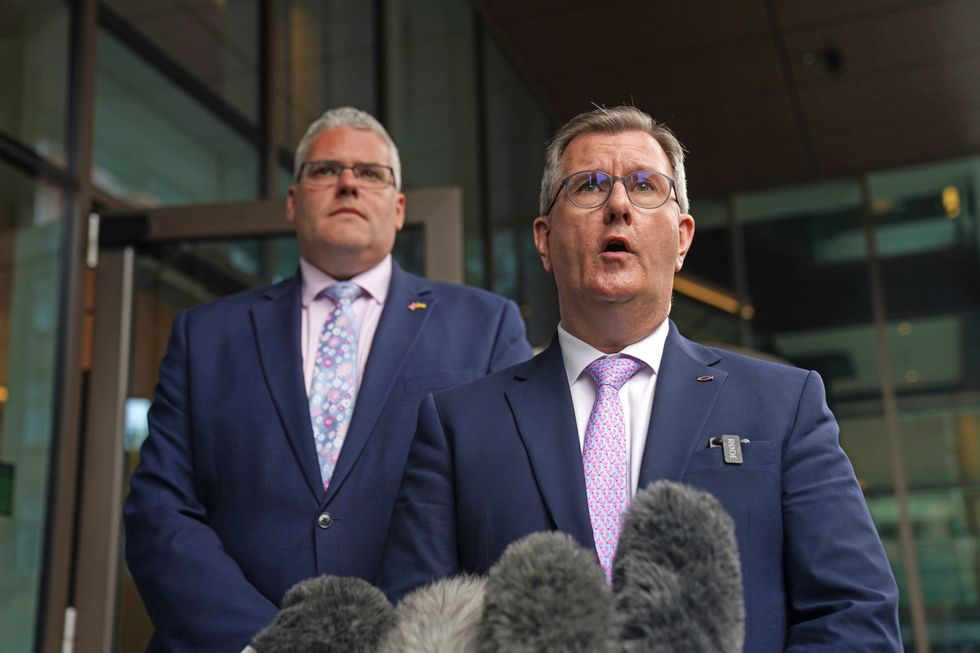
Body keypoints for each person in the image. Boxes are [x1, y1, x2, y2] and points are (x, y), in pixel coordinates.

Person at [379, 106, 901, 651]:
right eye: (589, 186)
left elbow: (854, 613)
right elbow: (412, 626)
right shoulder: (458, 426)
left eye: (645, 185)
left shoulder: (784, 405)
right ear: (544, 239)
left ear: (682, 238)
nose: (618, 205)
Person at [123, 106, 532, 652]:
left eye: (370, 173)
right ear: (293, 202)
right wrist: (263, 644)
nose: (347, 183)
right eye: (325, 170)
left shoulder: (485, 326)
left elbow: (503, 506)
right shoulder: (206, 336)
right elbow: (159, 508)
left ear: (398, 208)